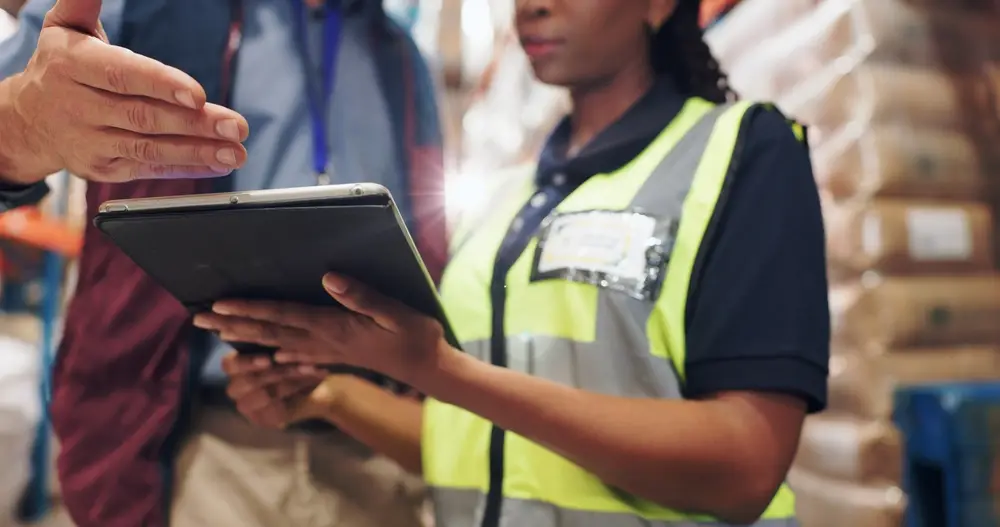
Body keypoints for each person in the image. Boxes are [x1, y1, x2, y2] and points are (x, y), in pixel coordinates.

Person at [205, 0, 831, 525]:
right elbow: (472, 445)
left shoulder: (741, 152)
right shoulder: (504, 205)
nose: (530, 4)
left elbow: (745, 467)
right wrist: (328, 395)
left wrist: (440, 371)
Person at [0, 0, 446, 525]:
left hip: (374, 450)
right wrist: (20, 130)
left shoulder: (397, 55)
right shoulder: (142, 13)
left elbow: (426, 242)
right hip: (194, 441)